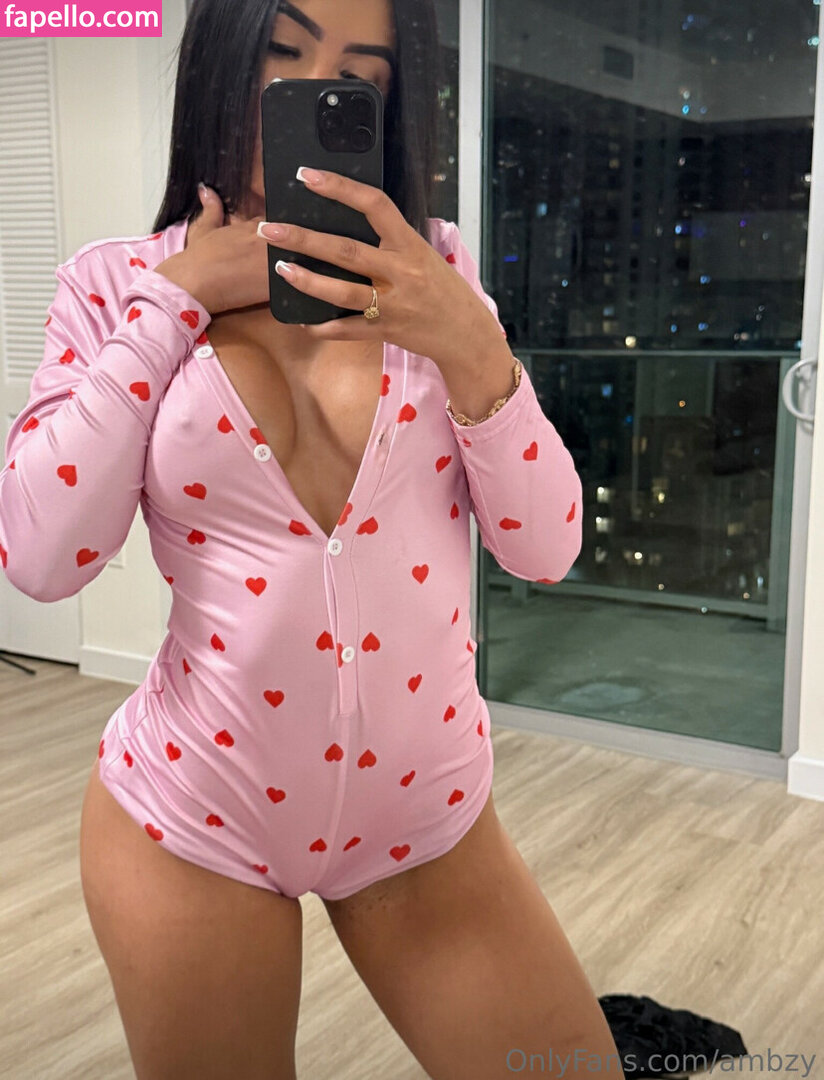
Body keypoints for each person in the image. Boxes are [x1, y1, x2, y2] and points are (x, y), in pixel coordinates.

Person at [0, 1, 626, 1077]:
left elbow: (546, 547)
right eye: (281, 54)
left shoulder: (432, 269)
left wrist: (470, 344)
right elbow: (44, 558)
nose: (313, 91)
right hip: (194, 814)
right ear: (219, 59)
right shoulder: (115, 284)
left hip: (424, 819)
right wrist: (176, 302)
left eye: (359, 73)